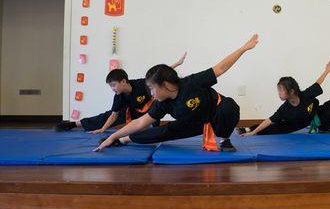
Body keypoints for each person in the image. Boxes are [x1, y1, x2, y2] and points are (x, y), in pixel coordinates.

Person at [94, 35, 259, 152]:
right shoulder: (162, 103)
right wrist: (113, 137)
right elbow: (139, 123)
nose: (151, 93)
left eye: (152, 88)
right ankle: (125, 140)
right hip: (193, 123)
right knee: (160, 132)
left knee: (228, 107)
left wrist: (244, 48)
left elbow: (221, 67)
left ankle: (224, 139)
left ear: (165, 85)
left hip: (215, 114)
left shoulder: (192, 82)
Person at [54, 53, 187, 133]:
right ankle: (73, 124)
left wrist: (178, 63)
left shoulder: (141, 84)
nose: (112, 88)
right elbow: (112, 116)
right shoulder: (119, 97)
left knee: (156, 106)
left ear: (123, 81)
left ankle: (155, 131)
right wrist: (103, 129)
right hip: (131, 112)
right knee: (104, 117)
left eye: (113, 85)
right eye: (110, 86)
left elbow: (160, 74)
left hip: (148, 109)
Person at [237, 60, 330, 136]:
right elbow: (269, 121)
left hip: (313, 113)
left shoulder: (306, 94)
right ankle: (247, 129)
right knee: (273, 128)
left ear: (292, 91)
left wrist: (327, 70)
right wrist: (253, 132)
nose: (279, 93)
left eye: (281, 90)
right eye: (278, 90)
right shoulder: (285, 109)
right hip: (297, 123)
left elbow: (318, 82)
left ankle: (324, 128)